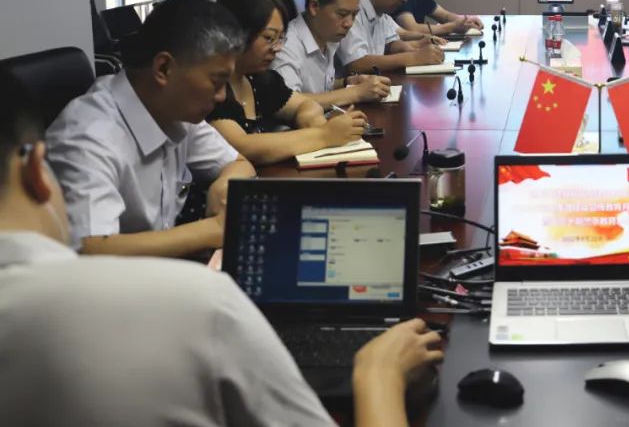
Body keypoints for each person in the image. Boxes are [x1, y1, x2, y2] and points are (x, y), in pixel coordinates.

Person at [0, 71, 444, 426]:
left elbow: (236, 159)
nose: (220, 95)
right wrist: (378, 376)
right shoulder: (197, 302)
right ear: (39, 172)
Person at [45, 0, 256, 258]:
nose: (222, 96)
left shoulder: (174, 109)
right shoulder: (88, 137)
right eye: (216, 82)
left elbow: (239, 164)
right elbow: (91, 249)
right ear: (163, 68)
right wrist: (213, 229)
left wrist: (225, 185)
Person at [212, 0, 369, 166]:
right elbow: (243, 147)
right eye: (269, 38)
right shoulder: (213, 90)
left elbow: (305, 104)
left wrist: (314, 122)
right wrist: (324, 135)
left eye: (280, 38)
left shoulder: (259, 79)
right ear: (236, 35)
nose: (278, 48)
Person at [271, 0, 393, 108]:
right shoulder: (286, 46)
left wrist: (346, 83)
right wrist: (356, 93)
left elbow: (317, 87)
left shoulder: (327, 35)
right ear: (314, 7)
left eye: (354, 15)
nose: (349, 24)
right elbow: (288, 102)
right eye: (342, 14)